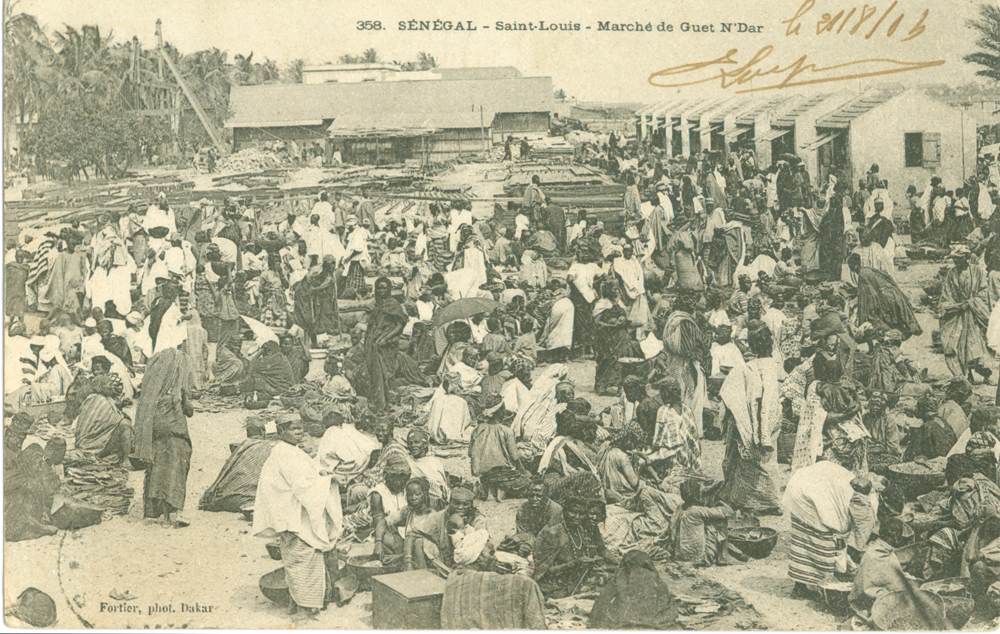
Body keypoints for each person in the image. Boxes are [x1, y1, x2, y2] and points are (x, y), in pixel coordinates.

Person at [253, 419, 343, 616]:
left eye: (301, 428)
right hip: (294, 517)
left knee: (298, 561)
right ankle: (304, 608)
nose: (300, 433)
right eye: (294, 429)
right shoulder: (285, 453)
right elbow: (303, 486)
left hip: (292, 513)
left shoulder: (289, 450)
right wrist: (329, 480)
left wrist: (321, 472)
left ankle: (299, 602)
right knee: (303, 561)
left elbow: (307, 473)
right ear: (282, 430)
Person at [718, 322, 782, 515]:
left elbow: (729, 395)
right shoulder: (768, 366)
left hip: (751, 421)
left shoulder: (748, 367)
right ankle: (763, 502)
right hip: (762, 421)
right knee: (763, 464)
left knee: (749, 463)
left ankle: (752, 500)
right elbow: (768, 400)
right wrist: (763, 432)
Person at [130, 348, 194, 527]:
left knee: (156, 473)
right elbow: (189, 411)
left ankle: (153, 512)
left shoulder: (151, 398)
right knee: (173, 474)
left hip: (157, 441)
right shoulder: (175, 397)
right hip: (176, 440)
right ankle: (168, 516)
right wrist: (185, 396)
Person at [782, 448, 855, 594]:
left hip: (799, 496)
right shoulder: (850, 484)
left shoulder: (840, 475)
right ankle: (824, 586)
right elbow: (841, 519)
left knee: (802, 543)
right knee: (824, 544)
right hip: (804, 499)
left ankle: (801, 585)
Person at [533, 493, 618, 599]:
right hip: (556, 586)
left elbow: (600, 550)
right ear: (564, 511)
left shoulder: (581, 530)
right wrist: (574, 564)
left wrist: (592, 562)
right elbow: (542, 573)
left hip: (578, 580)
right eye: (573, 512)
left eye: (581, 513)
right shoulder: (553, 533)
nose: (577, 517)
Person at [360, 277, 426, 411]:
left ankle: (383, 404)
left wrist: (385, 338)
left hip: (386, 345)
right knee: (374, 373)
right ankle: (377, 401)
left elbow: (400, 324)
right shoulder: (377, 304)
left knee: (384, 373)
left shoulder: (393, 304)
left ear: (389, 289)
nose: (381, 290)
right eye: (379, 288)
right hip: (373, 342)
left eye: (384, 288)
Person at [589, 550, 678, 630]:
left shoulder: (621, 576)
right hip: (653, 622)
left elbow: (600, 605)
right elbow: (669, 606)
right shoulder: (657, 580)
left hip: (622, 621)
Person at [940, 249, 993, 382]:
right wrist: (955, 306)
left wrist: (970, 303)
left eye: (959, 259)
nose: (956, 262)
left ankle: (986, 373)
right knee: (957, 345)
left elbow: (984, 291)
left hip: (975, 314)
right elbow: (947, 294)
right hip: (958, 314)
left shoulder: (977, 271)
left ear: (966, 258)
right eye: (954, 260)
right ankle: (966, 374)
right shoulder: (951, 274)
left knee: (975, 345)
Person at [470, 395, 531, 500]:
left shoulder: (477, 430)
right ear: (500, 412)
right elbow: (515, 457)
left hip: (485, 477)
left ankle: (488, 489)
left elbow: (470, 453)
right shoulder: (506, 430)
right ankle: (502, 490)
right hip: (504, 476)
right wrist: (524, 472)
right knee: (529, 483)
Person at [849, 254, 922, 340]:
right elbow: (886, 276)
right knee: (899, 318)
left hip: (886, 297)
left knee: (884, 320)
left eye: (850, 265)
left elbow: (871, 292)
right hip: (893, 292)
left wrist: (873, 308)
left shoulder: (862, 275)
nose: (849, 267)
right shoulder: (867, 269)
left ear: (855, 265)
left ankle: (892, 340)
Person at [670, 479, 736, 566]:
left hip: (680, 555)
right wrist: (721, 503)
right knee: (719, 519)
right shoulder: (697, 510)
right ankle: (723, 555)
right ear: (696, 495)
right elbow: (728, 512)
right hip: (699, 558)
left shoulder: (679, 509)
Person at [592, 281, 638, 396]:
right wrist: (612, 326)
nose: (617, 291)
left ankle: (618, 385)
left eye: (618, 289)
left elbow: (624, 316)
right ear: (607, 290)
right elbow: (597, 322)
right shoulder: (602, 303)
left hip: (620, 337)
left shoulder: (619, 302)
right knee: (606, 360)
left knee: (621, 360)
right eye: (614, 289)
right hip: (606, 338)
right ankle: (601, 385)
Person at [316, 407, 381, 486]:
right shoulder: (336, 430)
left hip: (354, 461)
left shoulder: (344, 428)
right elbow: (330, 453)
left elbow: (360, 440)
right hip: (356, 460)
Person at [650, 378, 702, 472]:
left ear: (666, 393)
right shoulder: (686, 409)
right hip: (689, 457)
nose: (660, 395)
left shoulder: (664, 411)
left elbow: (658, 440)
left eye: (661, 392)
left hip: (675, 458)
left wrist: (650, 452)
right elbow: (693, 439)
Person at [513, 477, 564, 556]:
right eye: (531, 495)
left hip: (548, 545)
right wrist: (524, 545)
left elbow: (550, 536)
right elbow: (522, 533)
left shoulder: (556, 510)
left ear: (546, 496)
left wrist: (530, 544)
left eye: (539, 496)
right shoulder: (523, 509)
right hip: (527, 543)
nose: (534, 499)